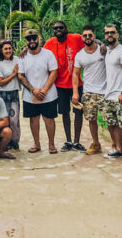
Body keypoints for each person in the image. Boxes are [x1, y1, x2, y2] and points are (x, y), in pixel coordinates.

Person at [43, 20, 85, 151]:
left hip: (76, 84)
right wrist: (25, 49)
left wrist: (101, 45)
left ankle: (77, 142)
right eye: (55, 29)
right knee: (65, 113)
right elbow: (39, 53)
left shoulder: (76, 38)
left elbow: (91, 41)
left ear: (66, 28)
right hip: (59, 86)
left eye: (61, 28)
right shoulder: (50, 43)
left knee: (78, 112)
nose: (58, 30)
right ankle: (68, 141)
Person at [18, 28, 59, 154]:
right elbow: (21, 75)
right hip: (30, 95)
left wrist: (45, 89)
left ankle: (51, 145)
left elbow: (54, 71)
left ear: (38, 38)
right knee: (33, 119)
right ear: (26, 41)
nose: (31, 41)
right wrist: (33, 90)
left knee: (49, 119)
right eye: (29, 39)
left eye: (34, 38)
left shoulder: (48, 54)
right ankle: (37, 144)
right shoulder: (23, 57)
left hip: (49, 94)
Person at [101, 24, 122, 164]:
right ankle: (118, 148)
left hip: (120, 95)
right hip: (109, 94)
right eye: (107, 33)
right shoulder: (108, 51)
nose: (110, 35)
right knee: (111, 123)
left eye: (112, 33)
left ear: (117, 34)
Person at [72, 25, 107, 155]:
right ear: (82, 37)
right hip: (88, 92)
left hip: (105, 91)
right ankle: (96, 143)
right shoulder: (80, 55)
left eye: (90, 35)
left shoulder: (104, 50)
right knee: (91, 119)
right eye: (85, 35)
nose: (87, 37)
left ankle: (116, 145)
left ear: (94, 36)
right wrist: (75, 92)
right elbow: (75, 74)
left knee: (110, 119)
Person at [0, 40, 21, 150]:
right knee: (4, 120)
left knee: (14, 120)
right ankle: (5, 142)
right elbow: (1, 82)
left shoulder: (17, 60)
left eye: (10, 48)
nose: (8, 51)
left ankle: (14, 141)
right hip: (2, 94)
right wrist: (13, 74)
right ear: (1, 50)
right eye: (5, 49)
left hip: (14, 93)